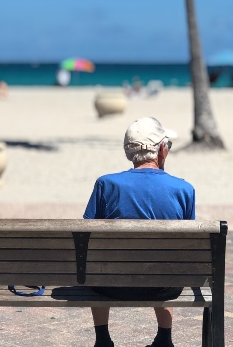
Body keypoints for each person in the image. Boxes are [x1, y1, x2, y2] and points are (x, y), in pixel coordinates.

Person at [83, 117, 195, 347]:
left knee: (97, 262)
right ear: (162, 149)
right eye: (169, 146)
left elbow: (86, 236)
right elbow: (187, 249)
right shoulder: (184, 190)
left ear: (128, 153)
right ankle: (165, 339)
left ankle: (103, 340)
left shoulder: (106, 185)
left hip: (111, 285)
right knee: (167, 260)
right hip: (165, 287)